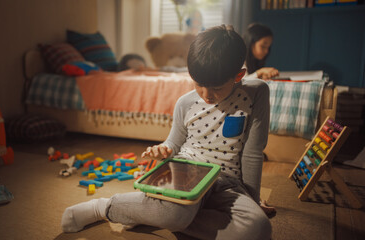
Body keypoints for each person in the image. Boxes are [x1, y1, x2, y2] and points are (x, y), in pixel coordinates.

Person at [61, 25, 272, 240]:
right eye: (199, 84)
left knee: (259, 230)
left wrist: (253, 199)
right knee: (174, 214)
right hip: (188, 171)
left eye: (217, 87)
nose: (207, 95)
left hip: (229, 182)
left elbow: (253, 152)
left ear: (238, 75)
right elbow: (174, 143)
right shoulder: (185, 103)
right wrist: (164, 150)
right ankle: (104, 207)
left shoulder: (256, 93)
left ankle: (150, 213)